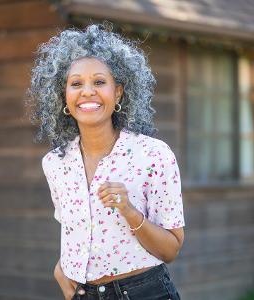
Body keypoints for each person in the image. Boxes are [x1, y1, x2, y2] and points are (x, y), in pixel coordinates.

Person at [28, 23, 185, 300]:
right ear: (64, 95)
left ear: (119, 92)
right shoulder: (55, 162)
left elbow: (171, 249)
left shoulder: (153, 154)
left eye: (99, 82)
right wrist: (61, 268)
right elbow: (73, 228)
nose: (87, 91)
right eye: (76, 84)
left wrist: (129, 211)